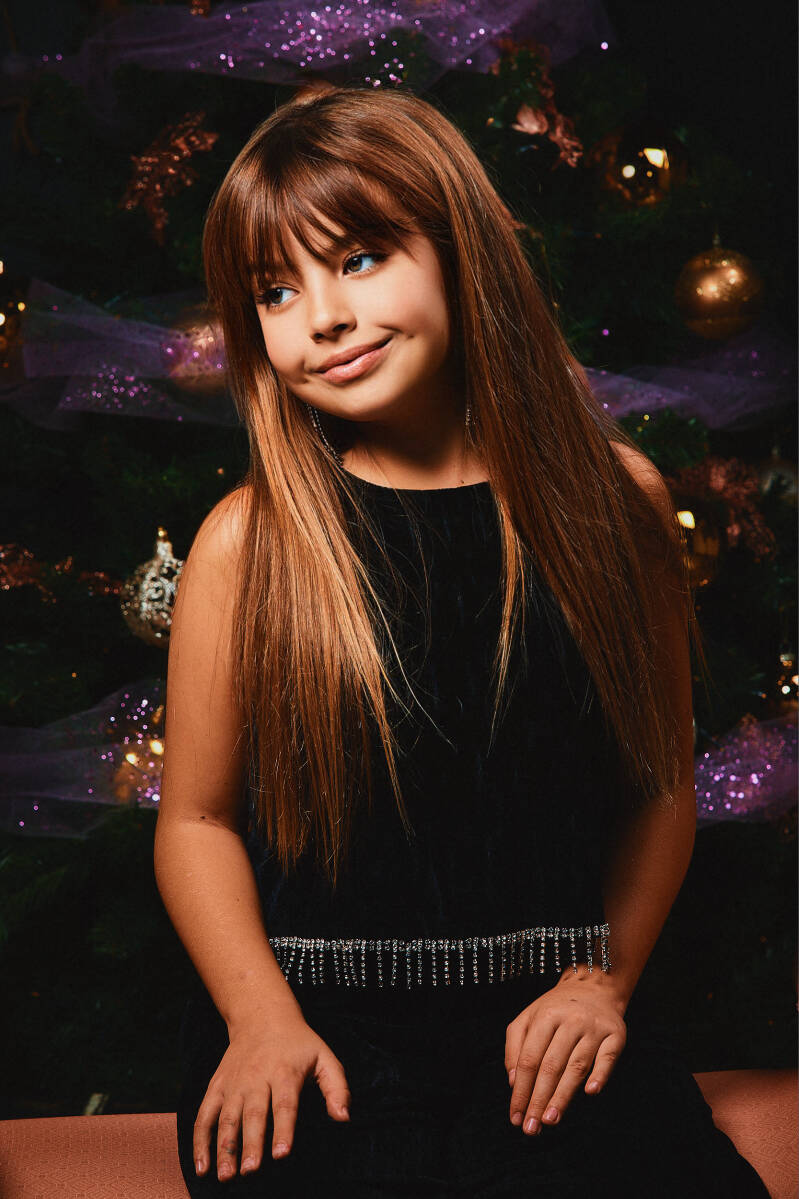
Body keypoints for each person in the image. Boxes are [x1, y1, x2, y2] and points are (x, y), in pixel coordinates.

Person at [154, 85, 770, 1198]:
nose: (322, 317)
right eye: (276, 291)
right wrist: (258, 1019)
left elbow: (658, 783)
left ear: (459, 249)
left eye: (359, 258)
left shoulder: (613, 500)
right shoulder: (249, 542)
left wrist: (602, 983)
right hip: (316, 1026)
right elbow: (196, 821)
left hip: (551, 1016)